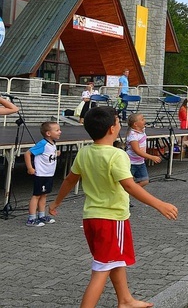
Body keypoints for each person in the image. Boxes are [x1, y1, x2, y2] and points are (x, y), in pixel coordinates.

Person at [49, 106, 178, 308]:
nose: (120, 125)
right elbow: (129, 185)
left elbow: (69, 180)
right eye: (118, 121)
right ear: (111, 129)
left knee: (113, 261)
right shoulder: (117, 155)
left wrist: (56, 202)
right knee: (101, 270)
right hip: (111, 219)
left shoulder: (84, 152)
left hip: (92, 218)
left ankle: (125, 300)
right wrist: (159, 204)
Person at [23, 121, 62, 227]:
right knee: (36, 195)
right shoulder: (43, 144)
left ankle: (41, 215)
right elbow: (28, 153)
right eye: (57, 130)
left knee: (44, 195)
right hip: (41, 174)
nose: (60, 132)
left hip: (49, 174)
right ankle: (31, 218)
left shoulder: (53, 143)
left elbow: (46, 155)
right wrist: (30, 168)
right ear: (48, 133)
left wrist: (56, 154)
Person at [126, 113, 162, 188]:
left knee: (145, 181)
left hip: (140, 162)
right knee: (128, 181)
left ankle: (132, 189)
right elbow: (137, 150)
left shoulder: (142, 131)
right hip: (131, 162)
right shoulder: (133, 135)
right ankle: (128, 190)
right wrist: (151, 157)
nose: (144, 121)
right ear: (135, 124)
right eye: (142, 120)